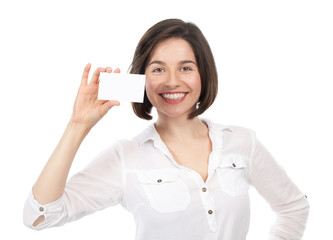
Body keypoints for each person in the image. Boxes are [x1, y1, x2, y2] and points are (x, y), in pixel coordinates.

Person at [23, 19, 309, 240]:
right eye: (158, 69)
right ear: (142, 79)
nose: (172, 81)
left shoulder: (241, 142)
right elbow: (40, 216)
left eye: (186, 68)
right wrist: (78, 126)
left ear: (203, 74)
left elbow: (294, 208)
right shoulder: (126, 158)